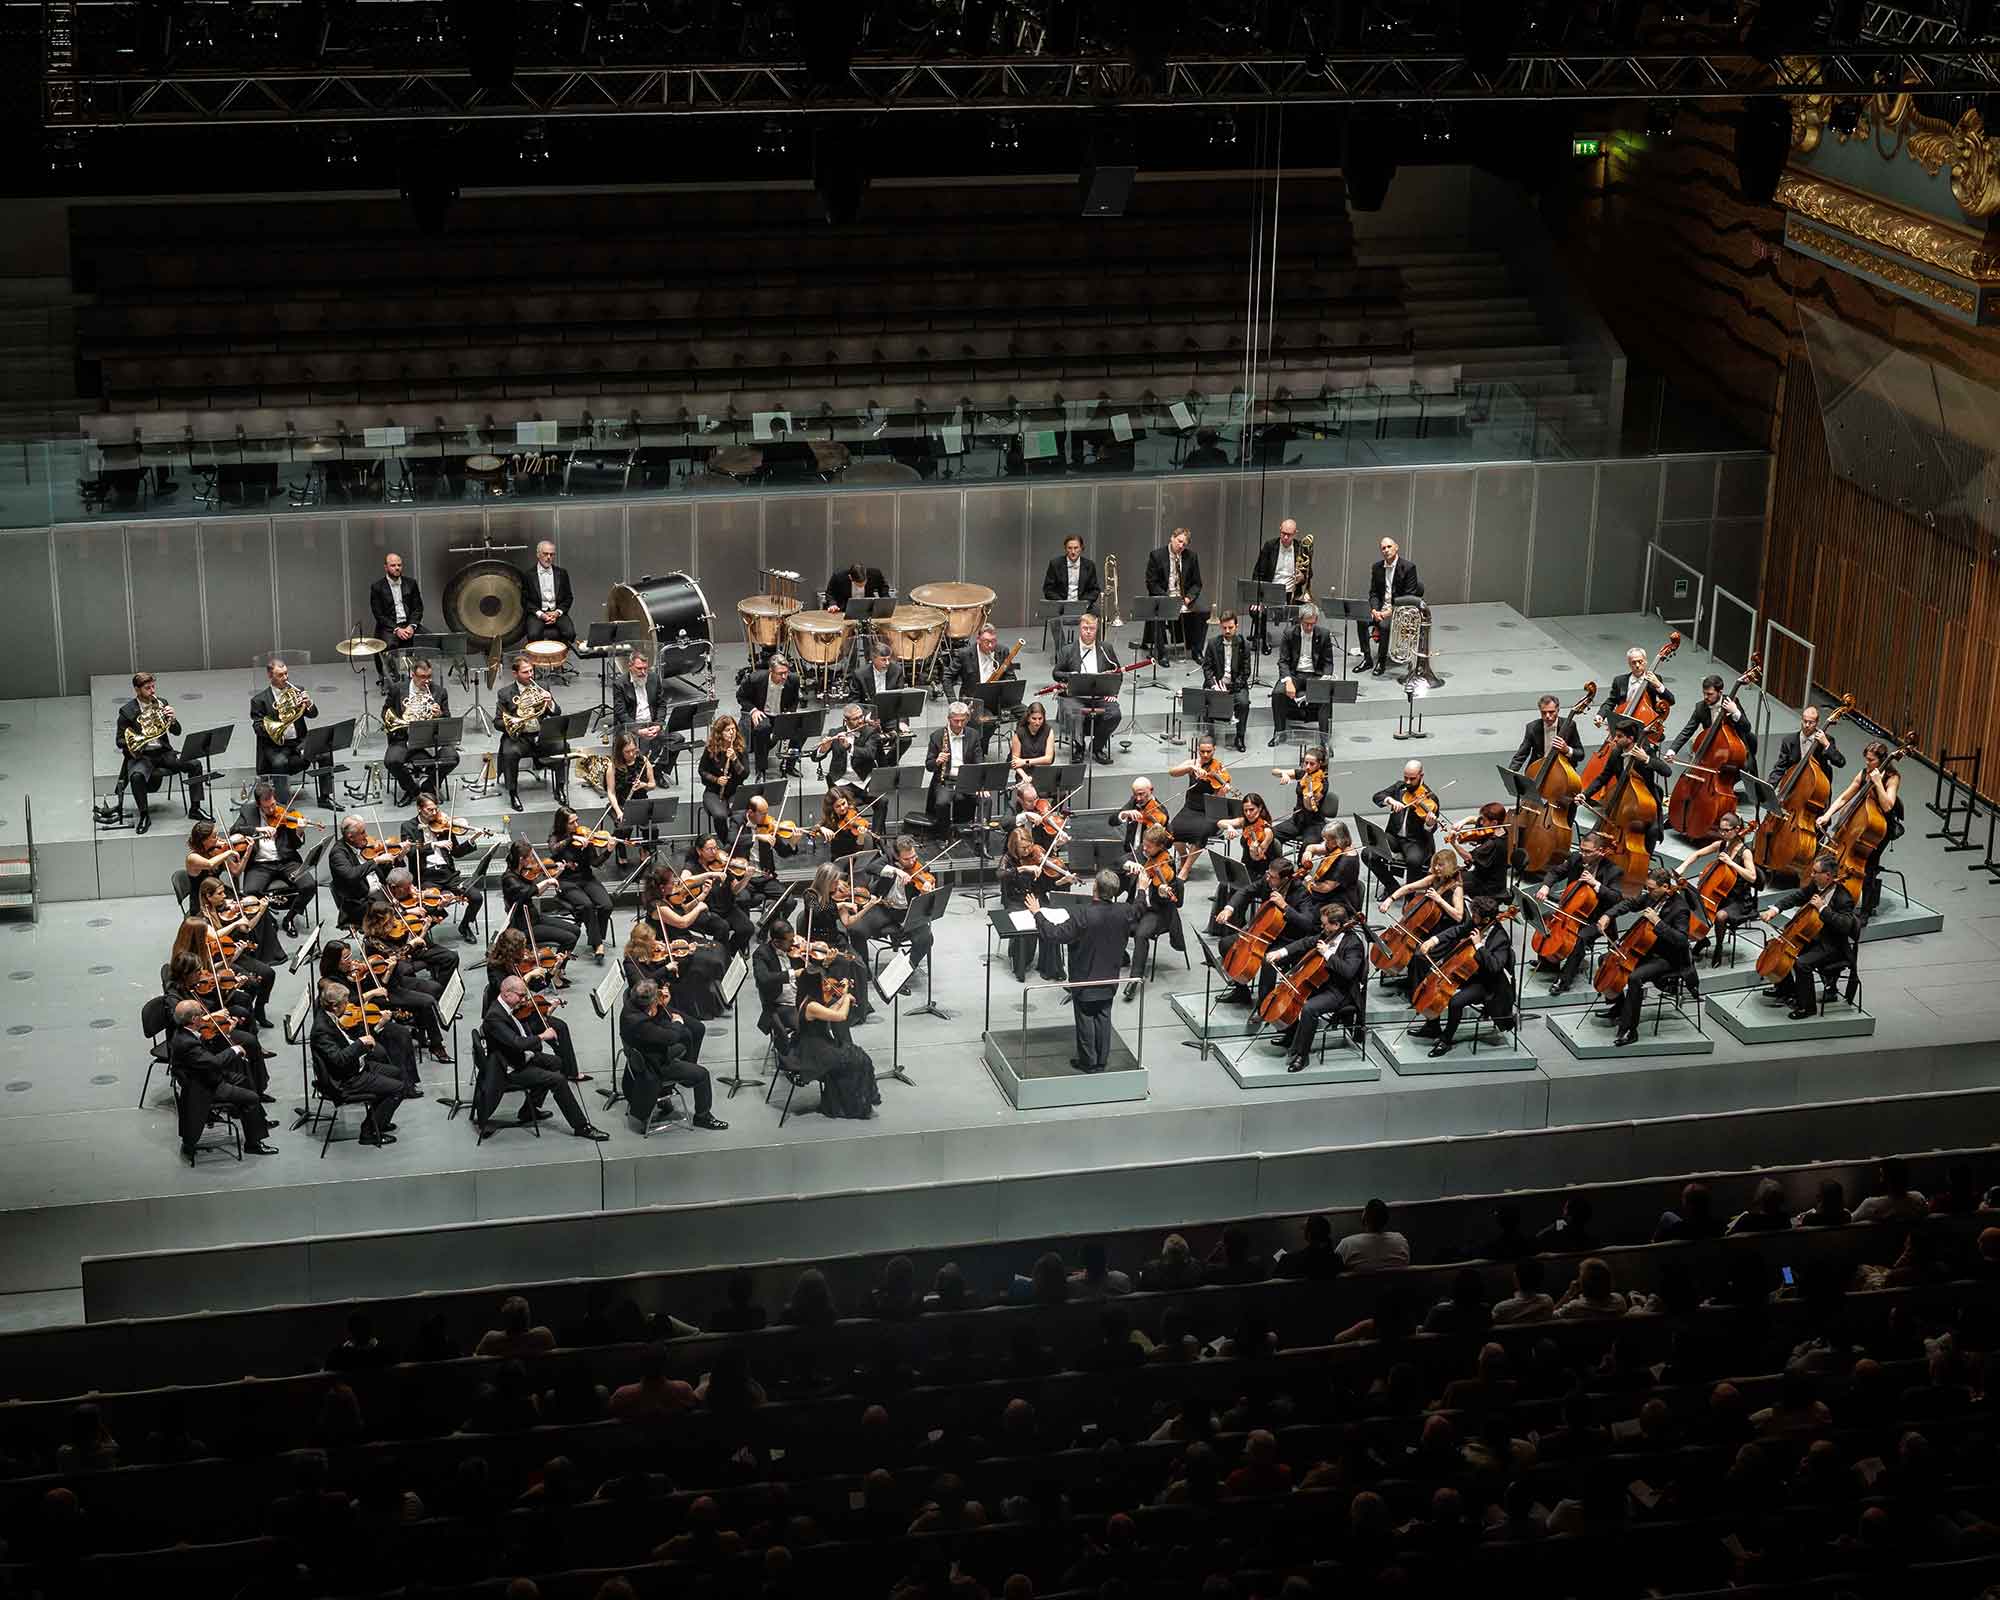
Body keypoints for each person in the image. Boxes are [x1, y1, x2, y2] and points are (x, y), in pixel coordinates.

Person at [1027, 870, 1138, 1074]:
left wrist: (1037, 913)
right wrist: (1143, 889)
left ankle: (1089, 1062)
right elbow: (1139, 909)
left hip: (1085, 978)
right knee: (1104, 1016)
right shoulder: (1125, 911)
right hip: (1110, 977)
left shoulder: (1082, 915)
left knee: (1086, 1018)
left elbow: (1054, 934)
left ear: (1095, 888)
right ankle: (1101, 1060)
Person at [479, 975, 608, 1140]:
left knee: (557, 1063)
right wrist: (542, 1036)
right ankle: (581, 1126)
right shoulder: (494, 1016)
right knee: (558, 1080)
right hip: (509, 1068)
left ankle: (528, 1111)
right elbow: (517, 1043)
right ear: (506, 994)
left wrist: (545, 1015)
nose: (524, 999)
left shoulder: (507, 1007)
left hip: (517, 1057)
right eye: (521, 995)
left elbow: (522, 1032)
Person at [1593, 865, 1697, 1049]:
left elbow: (1681, 941)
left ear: (1665, 887)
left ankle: (1629, 1030)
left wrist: (1658, 922)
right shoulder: (1652, 896)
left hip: (1668, 958)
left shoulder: (1680, 909)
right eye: (1647, 888)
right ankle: (1619, 1007)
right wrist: (1607, 915)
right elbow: (1630, 903)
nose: (1647, 892)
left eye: (1651, 888)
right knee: (1605, 959)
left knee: (1635, 978)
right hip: (1646, 949)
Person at [1263, 902, 1367, 1072]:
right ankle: (1291, 1037)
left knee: (1309, 1008)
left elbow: (1348, 972)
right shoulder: (1327, 934)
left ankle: (1302, 1056)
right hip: (1323, 984)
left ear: (1337, 925)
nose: (1322, 927)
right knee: (1297, 997)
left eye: (1325, 924)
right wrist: (1280, 952)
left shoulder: (1353, 944)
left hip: (1341, 990)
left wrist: (1327, 953)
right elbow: (1305, 942)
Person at [169, 998, 277, 1160]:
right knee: (252, 1098)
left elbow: (203, 1054)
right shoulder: (186, 1043)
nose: (205, 1016)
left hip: (205, 1077)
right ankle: (253, 1144)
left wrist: (224, 1031)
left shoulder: (183, 1032)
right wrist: (234, 1049)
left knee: (244, 1079)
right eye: (201, 1014)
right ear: (193, 1020)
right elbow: (214, 1062)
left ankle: (258, 1121)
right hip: (205, 1087)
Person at [1410, 895, 1516, 1058]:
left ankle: (1446, 1040)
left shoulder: (1501, 938)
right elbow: (1457, 930)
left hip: (1487, 983)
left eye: (1475, 916)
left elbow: (1494, 967)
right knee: (1428, 973)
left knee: (1455, 1002)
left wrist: (1479, 946)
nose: (1472, 918)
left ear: (1486, 918)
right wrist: (1433, 940)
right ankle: (1432, 1027)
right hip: (1466, 973)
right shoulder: (1477, 923)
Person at [308, 980, 412, 1146]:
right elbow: (339, 1060)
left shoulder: (328, 1014)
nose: (349, 1005)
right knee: (397, 1089)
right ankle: (369, 1131)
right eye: (345, 1003)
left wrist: (372, 1032)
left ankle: (380, 1120)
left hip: (355, 1066)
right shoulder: (322, 1029)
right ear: (334, 1006)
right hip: (346, 1080)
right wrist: (361, 1043)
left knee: (396, 1073)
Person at [1758, 853, 1858, 1019]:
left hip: (1832, 945)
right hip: (1813, 938)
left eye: (1815, 872)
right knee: (1777, 947)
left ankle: (1807, 1007)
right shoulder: (1816, 887)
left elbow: (1845, 926)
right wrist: (1774, 910)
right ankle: (1786, 991)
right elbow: (1796, 896)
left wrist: (1823, 909)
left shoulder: (1843, 898)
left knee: (1801, 963)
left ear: (1827, 876)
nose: (1811, 875)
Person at [619, 978, 725, 1131]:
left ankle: (669, 1090)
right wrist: (677, 1023)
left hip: (641, 1057)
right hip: (655, 1066)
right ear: (650, 1003)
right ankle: (702, 1116)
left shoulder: (629, 1007)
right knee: (702, 1074)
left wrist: (661, 1006)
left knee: (685, 1041)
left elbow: (652, 1020)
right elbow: (670, 1038)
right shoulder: (641, 1025)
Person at [1819, 738, 1903, 918]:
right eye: (1866, 759)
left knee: (1869, 866)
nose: (1867, 763)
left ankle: (1865, 911)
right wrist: (1828, 815)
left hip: (1880, 828)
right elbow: (1844, 797)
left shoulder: (1892, 777)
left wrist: (1878, 783)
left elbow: (1888, 805)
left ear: (1881, 760)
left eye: (1871, 760)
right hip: (1860, 823)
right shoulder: (1864, 773)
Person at [116, 671, 208, 833]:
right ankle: (144, 815)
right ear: (137, 690)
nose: (152, 691)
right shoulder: (127, 711)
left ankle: (195, 808)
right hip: (143, 756)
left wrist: (172, 719)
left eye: (153, 687)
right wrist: (139, 739)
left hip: (164, 753)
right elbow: (120, 741)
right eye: (147, 688)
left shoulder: (161, 703)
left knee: (195, 764)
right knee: (136, 776)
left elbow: (177, 731)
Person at [796, 965, 880, 1119]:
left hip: (819, 1043)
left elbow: (832, 1011)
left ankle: (843, 1102)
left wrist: (843, 996)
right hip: (814, 1051)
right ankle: (851, 1106)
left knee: (856, 1055)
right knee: (859, 1060)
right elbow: (840, 1016)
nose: (827, 985)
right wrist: (846, 998)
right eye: (823, 983)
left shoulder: (809, 999)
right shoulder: (812, 1006)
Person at [250, 655, 333, 810]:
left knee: (325, 755)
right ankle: (281, 805)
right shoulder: (259, 700)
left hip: (300, 742)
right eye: (280, 675)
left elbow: (313, 714)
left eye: (286, 674)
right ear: (270, 675)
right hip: (276, 747)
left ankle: (325, 797)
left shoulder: (297, 691)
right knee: (279, 763)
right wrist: (280, 725)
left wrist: (309, 704)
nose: (285, 678)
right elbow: (258, 727)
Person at [1680, 812, 1760, 964]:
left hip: (1738, 900)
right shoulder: (1721, 845)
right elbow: (1697, 854)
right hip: (1720, 895)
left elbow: (1752, 876)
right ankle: (1701, 940)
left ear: (1737, 829)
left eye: (1726, 830)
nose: (1722, 833)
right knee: (1694, 904)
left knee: (1720, 916)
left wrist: (1731, 863)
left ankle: (1718, 947)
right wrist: (1682, 867)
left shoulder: (1745, 852)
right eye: (1720, 830)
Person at [403, 792, 482, 944]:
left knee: (476, 897)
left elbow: (456, 852)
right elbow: (411, 852)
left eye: (436, 809)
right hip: (426, 876)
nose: (434, 813)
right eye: (430, 810)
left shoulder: (444, 825)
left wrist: (472, 840)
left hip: (448, 874)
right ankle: (421, 934)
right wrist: (433, 844)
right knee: (428, 906)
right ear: (419, 809)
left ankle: (464, 926)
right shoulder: (408, 827)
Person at [496, 654, 568, 812]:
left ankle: (560, 788)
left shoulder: (542, 687)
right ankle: (513, 792)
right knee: (509, 752)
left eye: (531, 671)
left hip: (541, 735)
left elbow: (556, 713)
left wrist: (549, 702)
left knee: (562, 746)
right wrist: (518, 720)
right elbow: (498, 722)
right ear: (515, 674)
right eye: (525, 672)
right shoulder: (505, 693)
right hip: (519, 737)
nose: (531, 675)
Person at [381, 656, 457, 805]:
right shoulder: (398, 689)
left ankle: (428, 786)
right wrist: (403, 720)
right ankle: (413, 790)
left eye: (429, 676)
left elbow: (448, 719)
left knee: (452, 757)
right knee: (391, 761)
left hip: (431, 740)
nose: (427, 681)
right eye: (422, 677)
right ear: (412, 675)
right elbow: (385, 713)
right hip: (405, 739)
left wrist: (439, 714)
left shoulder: (440, 692)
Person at [1052, 611, 1122, 765]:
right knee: (1073, 713)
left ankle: (1096, 747)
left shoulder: (1106, 648)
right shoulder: (1068, 650)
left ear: (1097, 629)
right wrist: (1070, 675)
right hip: (1076, 696)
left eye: (1092, 628)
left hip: (1101, 696)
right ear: (1080, 628)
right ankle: (1079, 747)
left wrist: (1113, 693)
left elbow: (1118, 672)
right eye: (1085, 628)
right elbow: (1056, 673)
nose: (1088, 632)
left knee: (1115, 714)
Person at [547, 807, 613, 960]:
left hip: (586, 878)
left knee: (606, 905)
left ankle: (596, 936)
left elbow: (595, 863)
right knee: (587, 905)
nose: (576, 825)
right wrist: (572, 839)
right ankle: (598, 944)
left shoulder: (586, 836)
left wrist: (608, 851)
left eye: (577, 820)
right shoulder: (555, 837)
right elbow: (554, 850)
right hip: (566, 881)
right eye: (572, 822)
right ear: (563, 824)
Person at [498, 837, 581, 956]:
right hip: (524, 925)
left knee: (575, 930)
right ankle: (556, 969)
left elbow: (537, 893)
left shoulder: (522, 872)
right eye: (530, 857)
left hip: (535, 917)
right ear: (521, 859)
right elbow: (527, 892)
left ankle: (557, 963)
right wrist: (546, 882)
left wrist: (556, 874)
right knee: (570, 939)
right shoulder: (509, 878)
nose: (533, 860)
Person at [1366, 760, 1438, 894]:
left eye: (1412, 778)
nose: (1408, 782)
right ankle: (1392, 887)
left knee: (1414, 861)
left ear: (1421, 776)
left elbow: (1431, 830)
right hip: (1393, 837)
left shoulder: (1431, 798)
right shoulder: (1399, 787)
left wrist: (1429, 825)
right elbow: (1377, 796)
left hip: (1415, 841)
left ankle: (1409, 896)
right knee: (1368, 854)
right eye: (1406, 777)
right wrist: (1390, 800)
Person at [1269, 603, 1334, 745]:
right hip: (1295, 674)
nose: (1309, 627)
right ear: (1300, 621)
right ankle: (1279, 732)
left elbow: (1328, 663)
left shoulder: (1323, 634)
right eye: (1306, 624)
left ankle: (1324, 740)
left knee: (1325, 696)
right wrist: (1287, 681)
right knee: (1278, 693)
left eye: (1312, 624)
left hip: (1315, 675)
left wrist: (1325, 678)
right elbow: (1283, 661)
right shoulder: (1289, 633)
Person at [1669, 672, 1757, 771]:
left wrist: (1735, 712)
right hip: (1712, 751)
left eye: (1710, 694)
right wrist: (1672, 750)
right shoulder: (1700, 707)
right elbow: (1687, 730)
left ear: (1720, 692)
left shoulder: (1732, 702)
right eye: (1704, 693)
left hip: (1735, 753)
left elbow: (1747, 728)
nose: (1706, 697)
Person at [1360, 535, 1423, 675]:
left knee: (1384, 626)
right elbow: (1374, 592)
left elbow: (1409, 597)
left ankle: (1381, 661)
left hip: (1398, 610)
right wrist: (1375, 610)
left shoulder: (1408, 567)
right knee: (1361, 620)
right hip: (1380, 609)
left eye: (1389, 546)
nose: (1386, 550)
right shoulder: (1377, 567)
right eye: (1383, 548)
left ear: (1396, 547)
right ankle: (1367, 658)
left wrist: (1390, 612)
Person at [1144, 526, 1208, 660]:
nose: (1181, 546)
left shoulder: (1191, 557)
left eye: (1184, 544)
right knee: (1158, 612)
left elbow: (1197, 583)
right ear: (1172, 538)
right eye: (1179, 541)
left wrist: (1189, 597)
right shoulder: (1156, 555)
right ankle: (1161, 654)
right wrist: (1167, 598)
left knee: (1203, 611)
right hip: (1164, 595)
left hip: (1183, 597)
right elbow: (1151, 583)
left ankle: (1197, 650)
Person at [737, 654, 801, 780]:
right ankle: (761, 769)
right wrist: (753, 710)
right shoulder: (755, 679)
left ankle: (790, 765)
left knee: (801, 730)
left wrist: (789, 713)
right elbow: (741, 697)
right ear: (771, 671)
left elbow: (794, 700)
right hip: (762, 713)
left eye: (786, 672)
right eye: (780, 673)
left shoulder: (793, 680)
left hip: (781, 714)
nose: (784, 676)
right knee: (762, 729)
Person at [925, 700, 989, 826]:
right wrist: (937, 761)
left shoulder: (973, 735)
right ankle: (943, 836)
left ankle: (981, 840)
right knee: (941, 803)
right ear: (949, 718)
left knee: (986, 799)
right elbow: (929, 765)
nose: (960, 724)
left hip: (968, 780)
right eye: (956, 720)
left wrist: (980, 785)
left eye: (963, 720)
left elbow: (979, 762)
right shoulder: (937, 736)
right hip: (946, 781)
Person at [1249, 518, 1308, 651]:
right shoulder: (1270, 546)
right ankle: (1263, 640)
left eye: (1289, 534)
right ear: (1280, 530)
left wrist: (1302, 577)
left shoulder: (1301, 548)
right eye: (1283, 533)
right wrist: (1256, 597)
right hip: (1271, 591)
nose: (1286, 537)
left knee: (1307, 611)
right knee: (1256, 610)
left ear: (1295, 534)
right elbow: (1258, 572)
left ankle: (1297, 643)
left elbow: (1309, 573)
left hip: (1291, 593)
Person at [1199, 608, 1253, 751]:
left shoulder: (1244, 645)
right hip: (1217, 685)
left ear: (1236, 626)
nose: (1227, 631)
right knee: (1207, 699)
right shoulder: (1212, 643)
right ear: (1220, 627)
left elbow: (1246, 671)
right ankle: (1210, 735)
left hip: (1236, 686)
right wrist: (1215, 686)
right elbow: (1207, 668)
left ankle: (1239, 737)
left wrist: (1232, 688)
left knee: (1243, 703)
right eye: (1224, 628)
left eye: (1230, 627)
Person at [368, 550, 424, 678]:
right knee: (385, 646)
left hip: (409, 623)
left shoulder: (411, 584)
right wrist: (397, 629)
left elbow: (418, 608)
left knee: (429, 639)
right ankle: (391, 678)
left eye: (399, 565)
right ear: (386, 567)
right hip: (389, 626)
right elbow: (379, 615)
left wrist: (411, 626)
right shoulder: (377, 587)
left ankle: (416, 674)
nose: (397, 568)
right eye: (393, 565)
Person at [1768, 703, 1845, 794]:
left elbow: (1840, 762)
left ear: (1817, 723)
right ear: (1801, 720)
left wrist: (1826, 744)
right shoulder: (1788, 741)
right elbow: (1780, 767)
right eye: (1805, 721)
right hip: (1794, 786)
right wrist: (1769, 788)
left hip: (1817, 790)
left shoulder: (1826, 740)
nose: (1807, 725)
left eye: (1811, 722)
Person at [697, 715, 749, 835]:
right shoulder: (711, 748)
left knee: (739, 815)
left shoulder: (740, 748)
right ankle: (727, 845)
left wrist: (735, 759)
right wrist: (716, 780)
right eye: (728, 730)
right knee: (720, 816)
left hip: (735, 790)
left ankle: (734, 844)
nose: (732, 733)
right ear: (720, 733)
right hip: (714, 791)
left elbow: (745, 774)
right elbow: (702, 771)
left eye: (733, 729)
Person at [1271, 747, 1331, 845]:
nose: (1307, 767)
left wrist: (1307, 795)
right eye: (1306, 762)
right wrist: (1283, 774)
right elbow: (1274, 771)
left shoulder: (1323, 783)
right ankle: (1277, 860)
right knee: (1270, 834)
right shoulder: (1302, 774)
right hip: (1297, 820)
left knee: (1307, 845)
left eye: (1312, 764)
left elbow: (1309, 808)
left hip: (1314, 824)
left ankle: (1301, 860)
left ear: (1319, 764)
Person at [1512, 691, 1582, 773]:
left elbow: (1580, 754)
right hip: (1538, 770)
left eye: (1551, 712)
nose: (1547, 716)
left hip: (1563, 770)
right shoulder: (1532, 727)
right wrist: (1511, 771)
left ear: (1558, 710)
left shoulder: (1569, 726)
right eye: (1543, 713)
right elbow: (1522, 754)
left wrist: (1566, 750)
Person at [522, 541, 575, 647]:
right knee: (533, 635)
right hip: (538, 613)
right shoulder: (528, 575)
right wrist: (541, 615)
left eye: (551, 554)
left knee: (570, 634)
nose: (549, 557)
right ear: (538, 554)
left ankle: (559, 660)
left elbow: (569, 597)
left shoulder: (562, 573)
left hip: (557, 611)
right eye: (545, 554)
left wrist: (557, 613)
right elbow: (525, 601)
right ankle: (539, 660)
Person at [1336, 1198, 1410, 1271]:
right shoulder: (1401, 1242)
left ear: (1364, 1217)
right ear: (1386, 1219)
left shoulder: (1347, 1244)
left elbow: (1332, 1267)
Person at [952, 622, 1017, 702]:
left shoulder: (1003, 651)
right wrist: (953, 702)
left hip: (997, 698)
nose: (990, 645)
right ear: (978, 640)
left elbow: (1010, 676)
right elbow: (947, 678)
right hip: (974, 700)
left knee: (1026, 711)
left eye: (993, 641)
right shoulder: (965, 654)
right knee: (988, 714)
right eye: (986, 642)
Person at [1042, 534, 1101, 611]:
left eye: (1076, 548)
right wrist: (1062, 604)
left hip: (1083, 606)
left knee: (1096, 614)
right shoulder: (1055, 564)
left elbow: (1094, 590)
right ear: (1065, 549)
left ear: (1081, 548)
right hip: (1060, 606)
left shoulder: (1089, 565)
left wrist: (1084, 604)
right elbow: (1048, 589)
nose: (1073, 552)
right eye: (1069, 548)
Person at [1009, 698, 1057, 780]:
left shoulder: (1049, 731)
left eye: (1040, 719)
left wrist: (1025, 761)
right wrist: (1025, 777)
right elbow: (1015, 763)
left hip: (1042, 772)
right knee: (1030, 793)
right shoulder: (1019, 733)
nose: (1037, 722)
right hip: (1024, 772)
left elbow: (1048, 759)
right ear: (1028, 718)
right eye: (1034, 719)